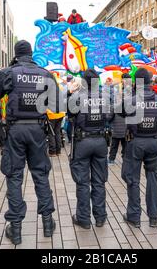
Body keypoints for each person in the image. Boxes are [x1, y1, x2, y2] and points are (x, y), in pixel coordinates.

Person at [0, 40, 59, 245]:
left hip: (15, 130)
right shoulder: (45, 73)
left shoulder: (10, 72)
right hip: (37, 129)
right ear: (31, 54)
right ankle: (47, 223)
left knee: (14, 176)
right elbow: (55, 102)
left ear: (16, 54)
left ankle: (16, 228)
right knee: (40, 175)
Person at [122, 68, 157, 228]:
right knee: (153, 178)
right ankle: (154, 217)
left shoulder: (130, 101)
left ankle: (134, 216)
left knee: (132, 179)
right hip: (153, 143)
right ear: (150, 82)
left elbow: (121, 115)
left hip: (135, 142)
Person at [68, 69, 111, 229]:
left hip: (82, 142)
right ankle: (100, 218)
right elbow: (110, 116)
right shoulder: (105, 97)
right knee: (99, 181)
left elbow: (70, 116)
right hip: (100, 141)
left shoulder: (77, 96)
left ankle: (84, 219)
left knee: (82, 182)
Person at [108, 74, 131, 165]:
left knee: (114, 146)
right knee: (125, 145)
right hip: (126, 129)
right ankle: (125, 159)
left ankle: (111, 160)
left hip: (116, 130)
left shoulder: (114, 106)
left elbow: (109, 117)